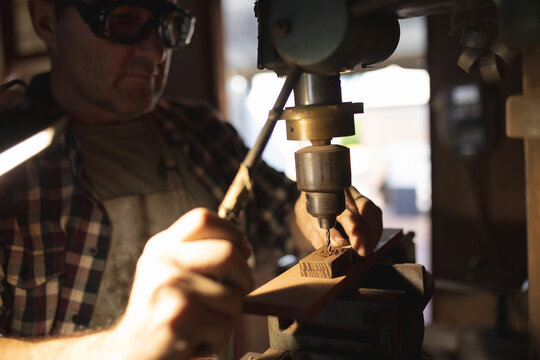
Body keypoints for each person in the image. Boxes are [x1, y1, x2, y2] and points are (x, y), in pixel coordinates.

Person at [0, 0, 383, 358]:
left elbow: (284, 215)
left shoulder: (202, 132)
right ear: (46, 20)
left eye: (168, 26)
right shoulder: (13, 164)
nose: (155, 52)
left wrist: (321, 215)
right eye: (125, 20)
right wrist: (122, 346)